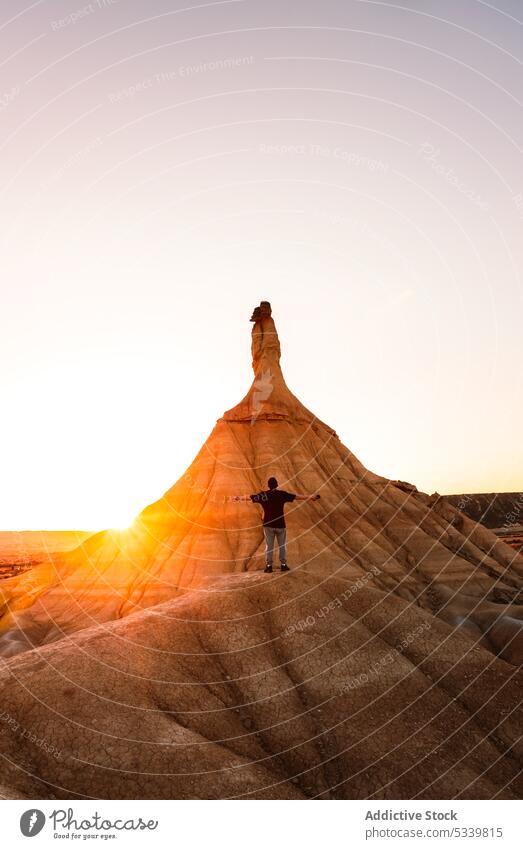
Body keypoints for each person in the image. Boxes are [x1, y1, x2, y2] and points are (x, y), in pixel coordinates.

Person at [226, 477, 321, 573]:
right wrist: (310, 496)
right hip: (280, 525)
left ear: (268, 486)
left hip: (268, 525)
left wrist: (237, 498)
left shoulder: (264, 495)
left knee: (269, 546)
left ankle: (269, 566)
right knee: (282, 546)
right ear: (277, 485)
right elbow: (297, 497)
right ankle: (283, 565)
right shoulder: (282, 494)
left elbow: (249, 497)